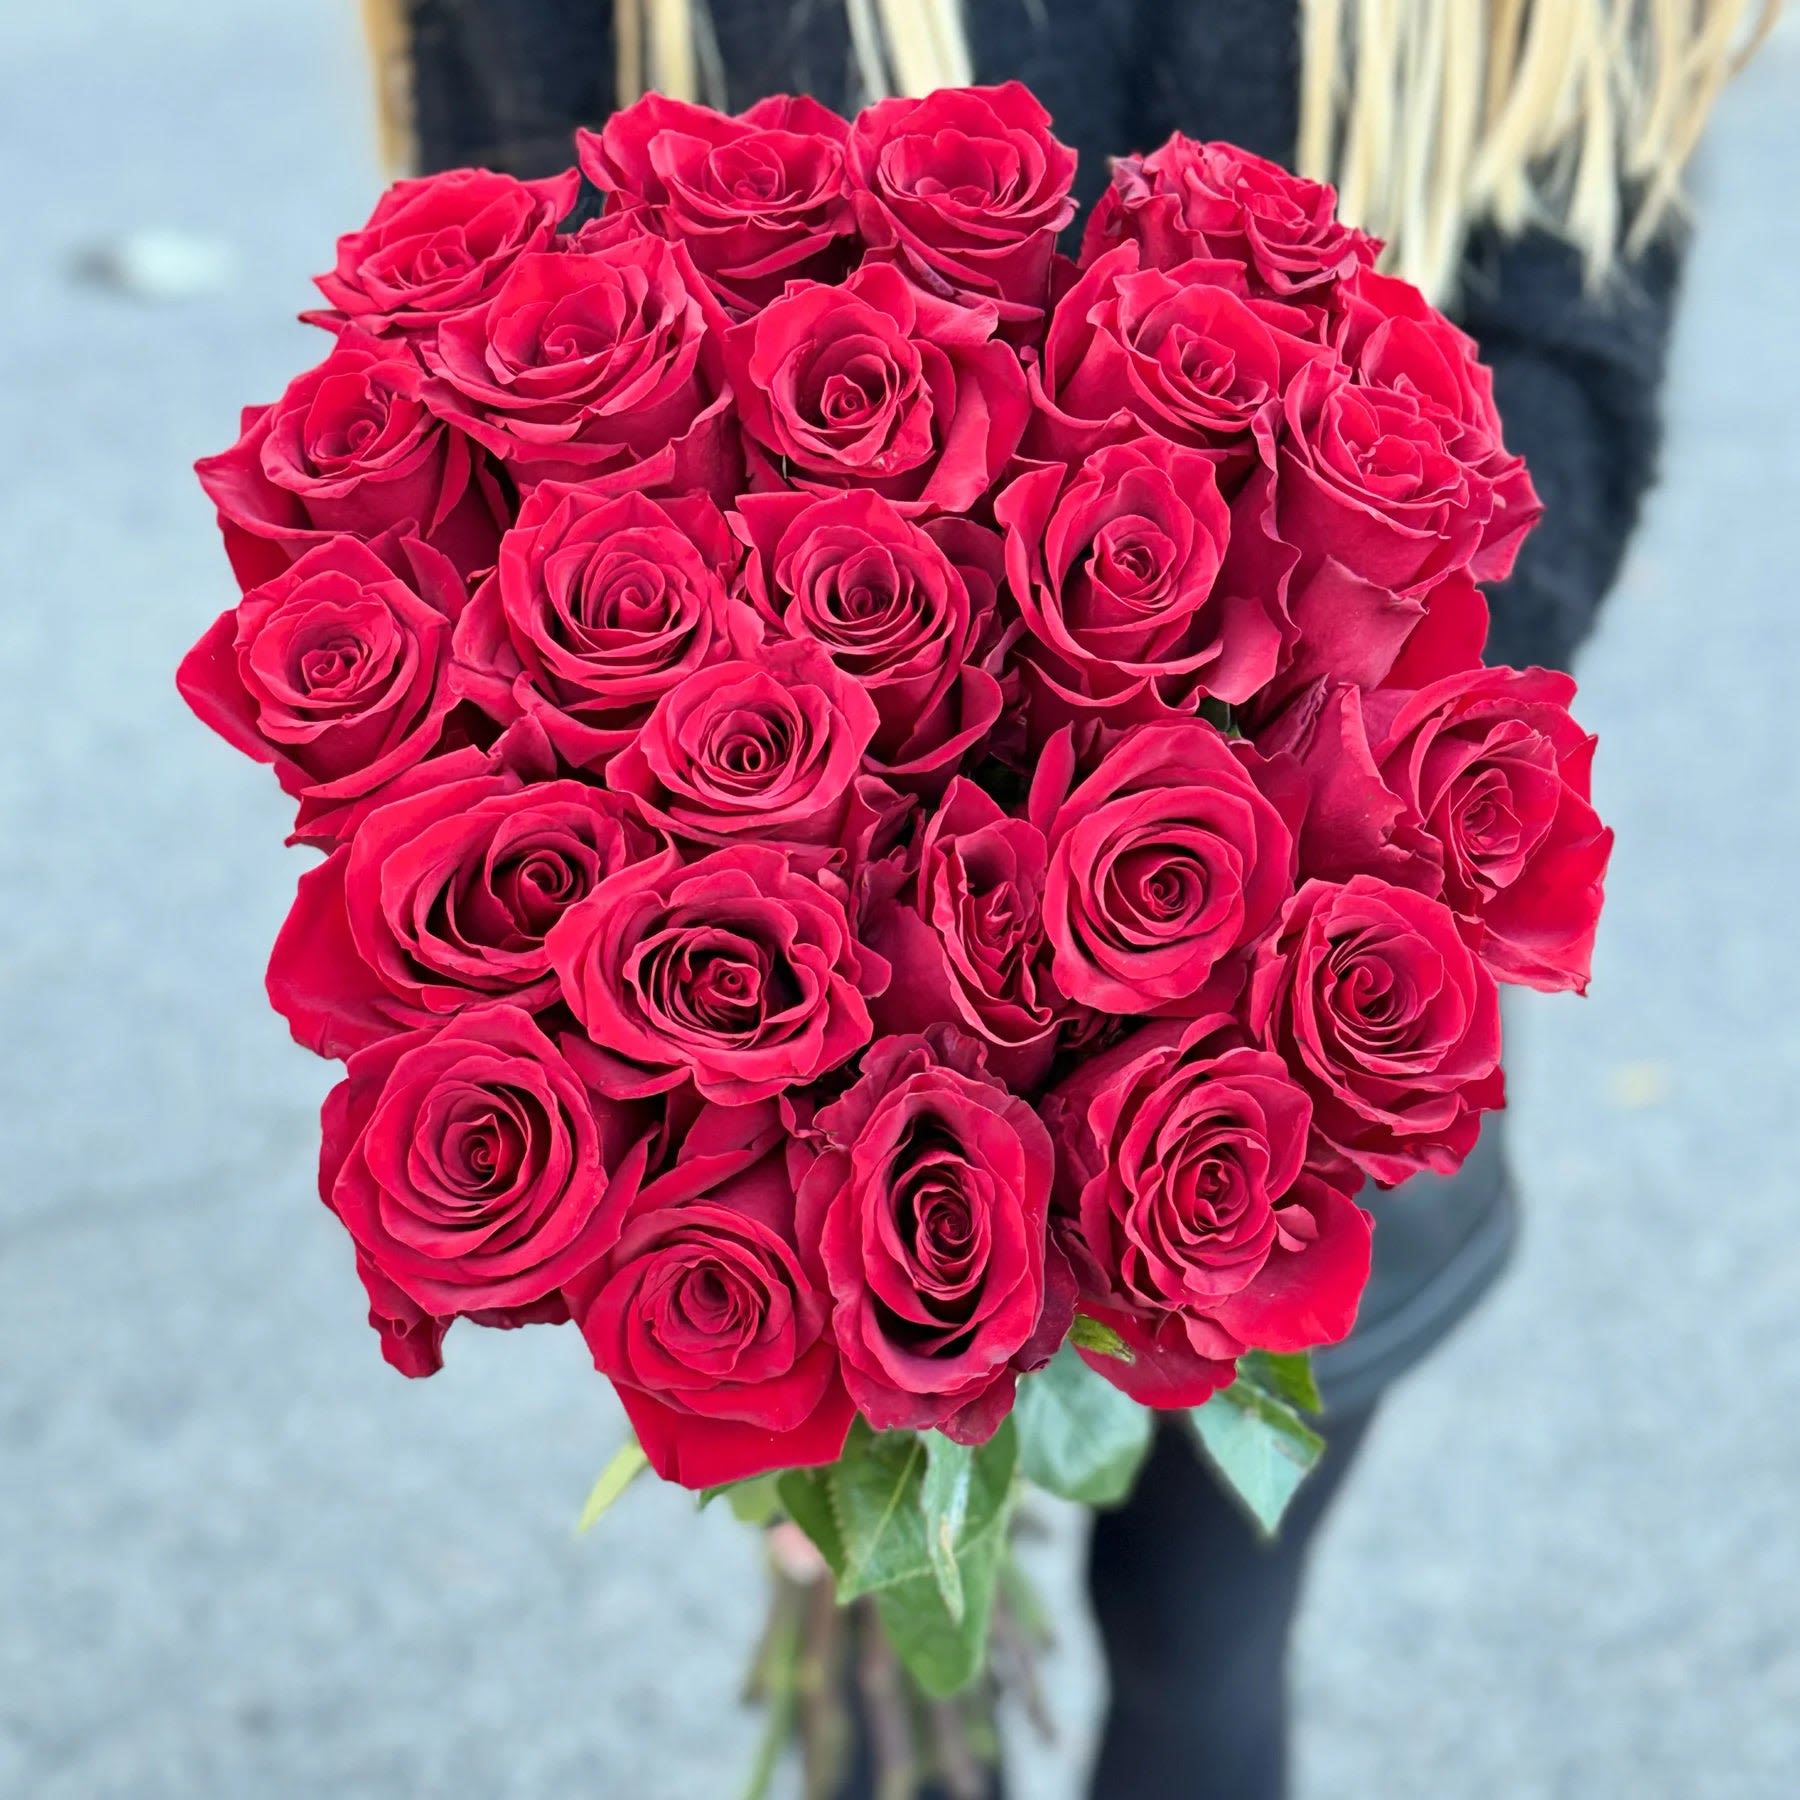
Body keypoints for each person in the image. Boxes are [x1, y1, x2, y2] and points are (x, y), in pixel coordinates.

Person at [355, 3, 1777, 1794]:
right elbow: (514, 296)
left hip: (1314, 1047)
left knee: (1196, 1638)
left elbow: (1557, 405)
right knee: (911, 1611)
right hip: (758, 1065)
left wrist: (1279, 776)